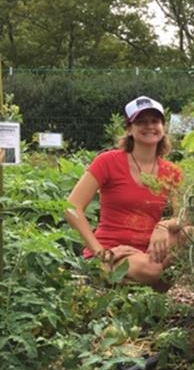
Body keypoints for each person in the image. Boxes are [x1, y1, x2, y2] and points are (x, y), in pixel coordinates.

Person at [66, 96, 183, 286]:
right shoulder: (108, 162)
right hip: (113, 249)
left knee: (191, 233)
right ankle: (107, 267)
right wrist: (99, 251)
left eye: (155, 121)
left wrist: (164, 225)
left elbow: (184, 216)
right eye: (141, 122)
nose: (149, 126)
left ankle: (139, 273)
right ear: (129, 129)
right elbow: (71, 207)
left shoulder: (172, 172)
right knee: (151, 269)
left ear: (163, 127)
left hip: (151, 251)